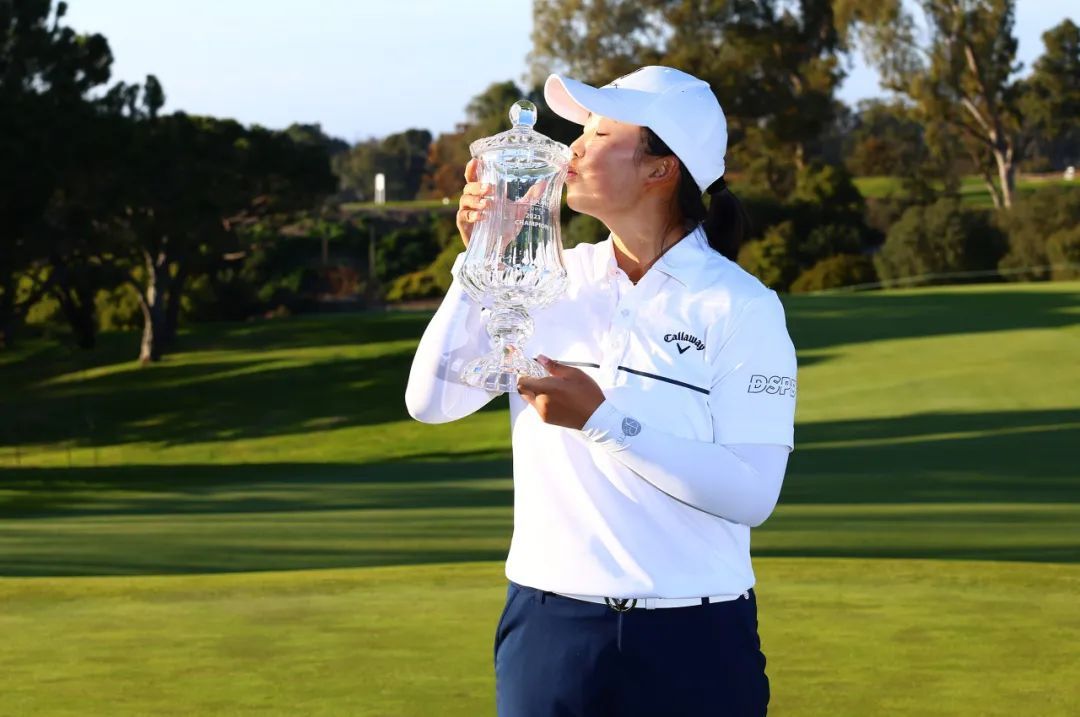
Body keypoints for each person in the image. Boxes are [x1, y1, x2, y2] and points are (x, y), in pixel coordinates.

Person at [405, 66, 797, 717]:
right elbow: (430, 401)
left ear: (660, 168)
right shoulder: (548, 277)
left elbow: (752, 492)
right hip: (549, 629)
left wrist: (603, 420)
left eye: (598, 133)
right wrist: (483, 260)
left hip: (697, 639)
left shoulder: (740, 307)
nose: (573, 150)